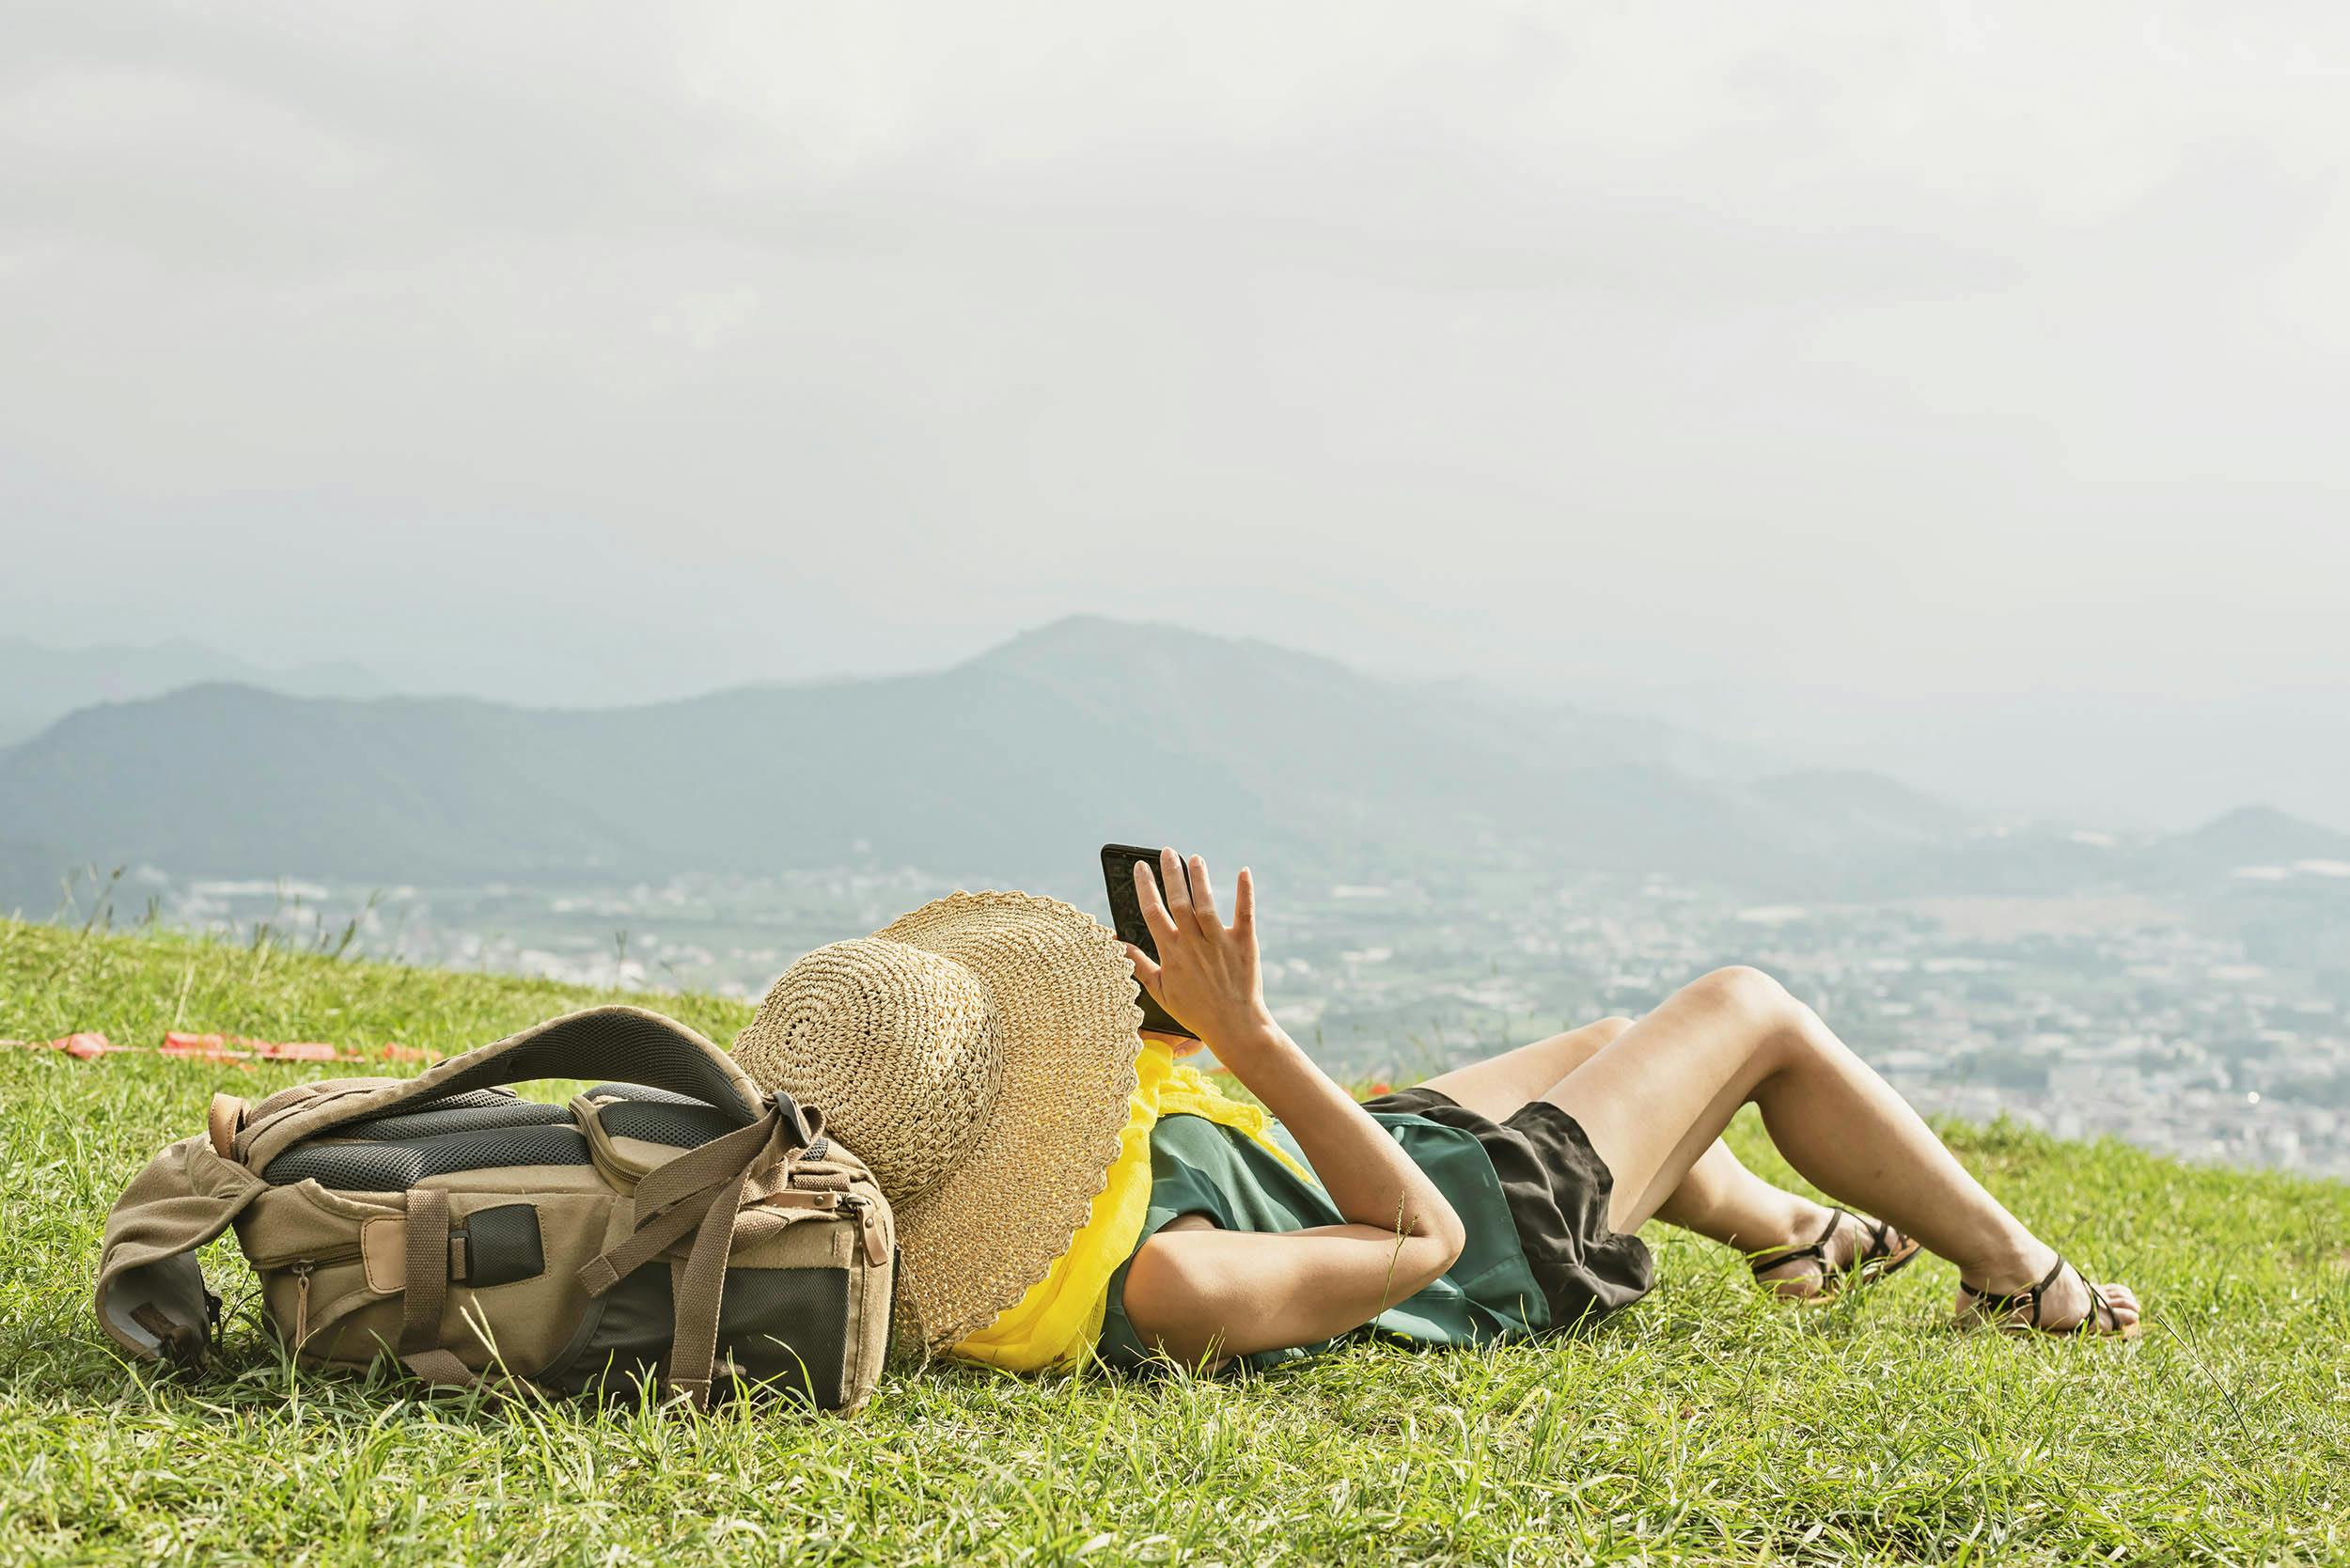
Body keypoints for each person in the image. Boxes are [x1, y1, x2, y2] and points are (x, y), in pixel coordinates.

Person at [728, 862, 2137, 1379]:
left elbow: (1217, 1151)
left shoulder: (1019, 1216)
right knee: (1747, 1009)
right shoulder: (1167, 1283)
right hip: (1495, 1235)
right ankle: (2028, 1285)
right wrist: (1256, 1040)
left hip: (1344, 1157)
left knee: (1598, 1044)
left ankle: (1792, 1235)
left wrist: (1173, 1037)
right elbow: (1420, 1233)